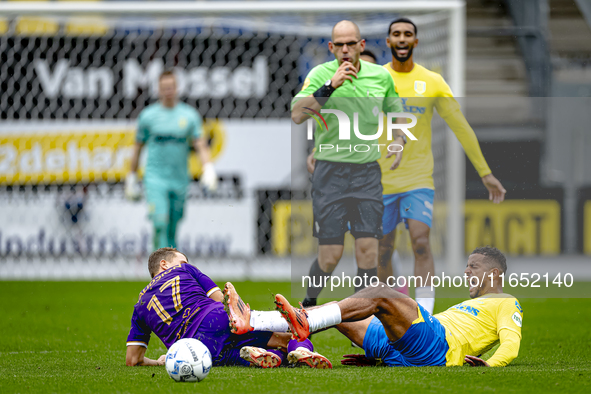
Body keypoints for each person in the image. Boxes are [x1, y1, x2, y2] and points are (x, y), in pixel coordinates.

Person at [376, 17, 507, 313]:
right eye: (395, 34)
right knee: (383, 251)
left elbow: (461, 126)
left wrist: (485, 173)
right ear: (388, 41)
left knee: (420, 241)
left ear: (415, 42)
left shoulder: (432, 82)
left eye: (407, 34)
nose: (401, 38)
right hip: (379, 181)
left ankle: (424, 315)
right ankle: (388, 310)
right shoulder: (374, 80)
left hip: (418, 179)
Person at [225, 246, 523, 368]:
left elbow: (511, 344)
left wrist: (490, 366)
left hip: (437, 346)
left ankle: (301, 325)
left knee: (380, 294)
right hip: (401, 350)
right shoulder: (474, 305)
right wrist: (381, 359)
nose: (467, 271)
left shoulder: (507, 302)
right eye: (467, 265)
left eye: (475, 266)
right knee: (337, 311)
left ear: (494, 273)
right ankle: (253, 321)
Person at [293, 20, 406, 308]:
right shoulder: (320, 74)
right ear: (331, 47)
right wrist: (330, 86)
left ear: (361, 45)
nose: (345, 50)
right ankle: (307, 307)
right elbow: (297, 114)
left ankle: (362, 319)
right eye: (339, 45)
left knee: (368, 251)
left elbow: (397, 114)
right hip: (329, 173)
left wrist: (399, 141)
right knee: (330, 255)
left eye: (351, 44)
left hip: (367, 173)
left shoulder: (380, 77)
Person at [125, 247, 332, 369]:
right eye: (182, 259)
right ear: (164, 264)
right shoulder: (183, 269)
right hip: (214, 318)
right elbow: (221, 300)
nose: (186, 262)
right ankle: (301, 350)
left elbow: (133, 359)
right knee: (287, 338)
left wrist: (160, 362)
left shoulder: (140, 306)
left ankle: (260, 355)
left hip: (194, 350)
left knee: (235, 357)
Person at [125, 71, 218, 251]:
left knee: (173, 228)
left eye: (171, 87)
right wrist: (131, 177)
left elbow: (200, 144)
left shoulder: (189, 116)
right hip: (155, 178)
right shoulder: (148, 116)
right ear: (158, 90)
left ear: (177, 88)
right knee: (160, 223)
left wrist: (209, 169)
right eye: (164, 88)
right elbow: (138, 148)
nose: (168, 91)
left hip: (180, 179)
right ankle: (160, 272)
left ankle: (171, 268)